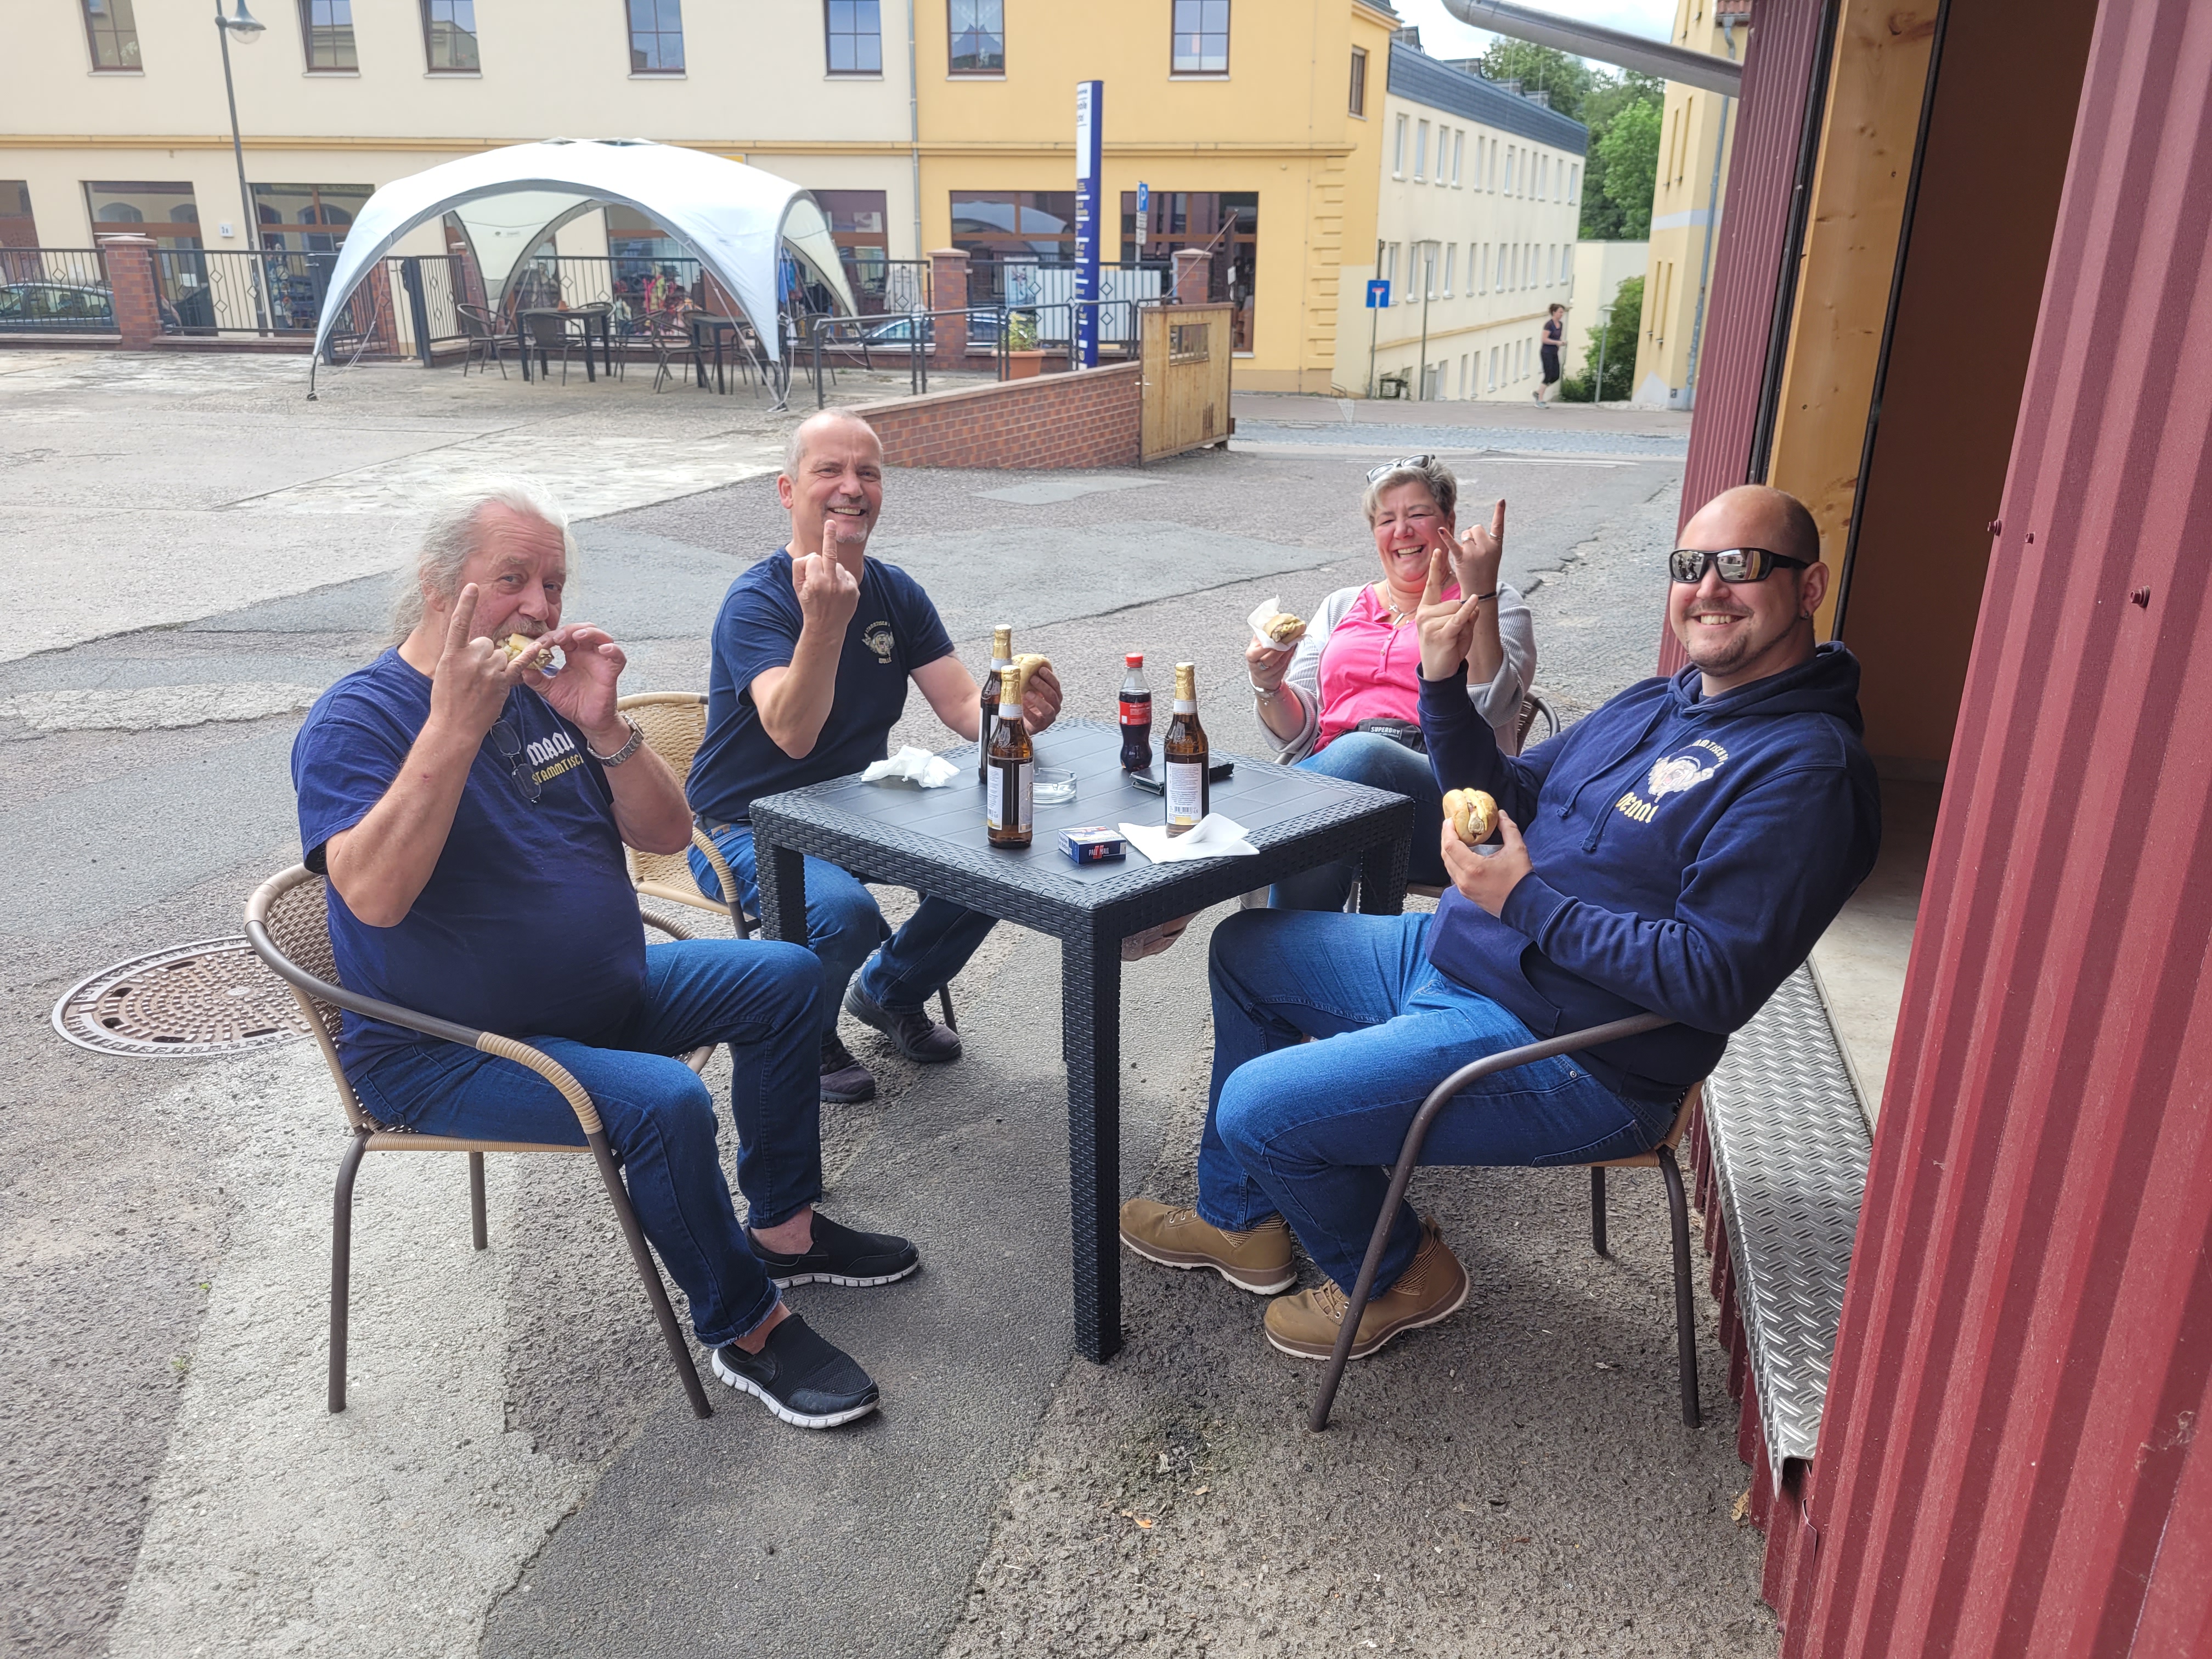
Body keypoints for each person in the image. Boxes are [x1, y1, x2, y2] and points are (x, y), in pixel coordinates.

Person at [1121, 484, 1880, 1362]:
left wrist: (1523, 900)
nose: (1708, 588)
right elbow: (1511, 791)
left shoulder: (1808, 772)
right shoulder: (1657, 702)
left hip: (1578, 1053)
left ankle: (1399, 1271)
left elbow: (1714, 980)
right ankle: (1241, 1220)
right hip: (1468, 959)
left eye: (1739, 566)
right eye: (1690, 565)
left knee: (1259, 1107)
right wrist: (1441, 687)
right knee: (1249, 949)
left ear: (1809, 586)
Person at [291, 481, 918, 1431]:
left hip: (598, 996)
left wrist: (604, 727)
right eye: (513, 579)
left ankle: (784, 1229)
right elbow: (373, 895)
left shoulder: (537, 698)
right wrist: (454, 726)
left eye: (552, 583)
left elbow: (666, 833)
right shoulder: (359, 718)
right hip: (448, 1047)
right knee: (662, 1101)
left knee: (786, 974)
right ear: (437, 584)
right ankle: (747, 1326)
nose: (540, 607)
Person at [687, 410, 1064, 1104]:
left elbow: (962, 706)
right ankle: (803, 1032)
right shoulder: (756, 601)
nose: (852, 487)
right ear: (787, 490)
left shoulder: (895, 591)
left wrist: (1015, 714)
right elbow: (792, 733)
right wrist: (825, 624)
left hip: (857, 807)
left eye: (868, 473)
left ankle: (890, 990)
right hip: (745, 825)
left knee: (1006, 851)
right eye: (829, 470)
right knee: (845, 913)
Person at [1246, 455, 1535, 911]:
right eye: (1386, 520)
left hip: (1448, 801)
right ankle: (1281, 944)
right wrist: (1269, 686)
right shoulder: (1341, 606)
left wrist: (1479, 593)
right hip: (1335, 791)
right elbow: (1299, 734)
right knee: (1333, 788)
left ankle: (1259, 835)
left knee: (1359, 759)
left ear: (1448, 521)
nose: (1401, 530)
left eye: (1418, 514)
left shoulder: (1494, 601)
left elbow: (1495, 708)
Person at [1536, 303, 1565, 405]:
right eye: (1560, 312)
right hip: (1546, 352)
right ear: (1554, 313)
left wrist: (1561, 342)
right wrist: (1556, 343)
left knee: (1556, 375)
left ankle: (1539, 392)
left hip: (1554, 352)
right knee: (1548, 375)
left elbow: (1558, 338)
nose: (1561, 314)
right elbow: (1544, 339)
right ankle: (1540, 399)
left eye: (1563, 313)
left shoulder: (1560, 325)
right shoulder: (1549, 325)